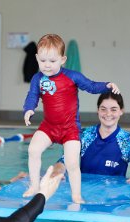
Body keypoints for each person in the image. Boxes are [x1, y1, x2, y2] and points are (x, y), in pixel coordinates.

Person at [22, 34, 120, 203]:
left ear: (63, 59)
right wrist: (29, 109)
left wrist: (107, 85)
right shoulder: (37, 78)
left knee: (73, 163)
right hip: (49, 126)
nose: (47, 65)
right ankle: (34, 186)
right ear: (37, 58)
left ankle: (76, 195)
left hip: (70, 128)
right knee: (33, 150)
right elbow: (32, 95)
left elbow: (91, 86)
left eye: (52, 61)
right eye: (43, 60)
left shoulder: (72, 76)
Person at [53, 92, 130, 183]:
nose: (108, 114)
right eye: (103, 109)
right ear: (98, 110)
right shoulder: (84, 135)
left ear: (121, 111)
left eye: (113, 109)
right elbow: (64, 160)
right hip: (85, 192)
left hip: (115, 196)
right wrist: (57, 171)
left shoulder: (129, 141)